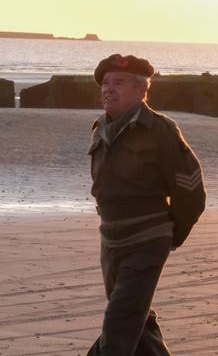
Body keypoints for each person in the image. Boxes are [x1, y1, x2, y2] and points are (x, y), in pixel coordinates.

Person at [87, 54, 206, 356]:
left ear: (142, 91)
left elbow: (191, 192)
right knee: (139, 322)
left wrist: (168, 235)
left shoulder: (161, 130)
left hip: (146, 240)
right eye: (106, 83)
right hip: (111, 241)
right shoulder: (100, 127)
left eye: (119, 83)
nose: (108, 89)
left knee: (119, 327)